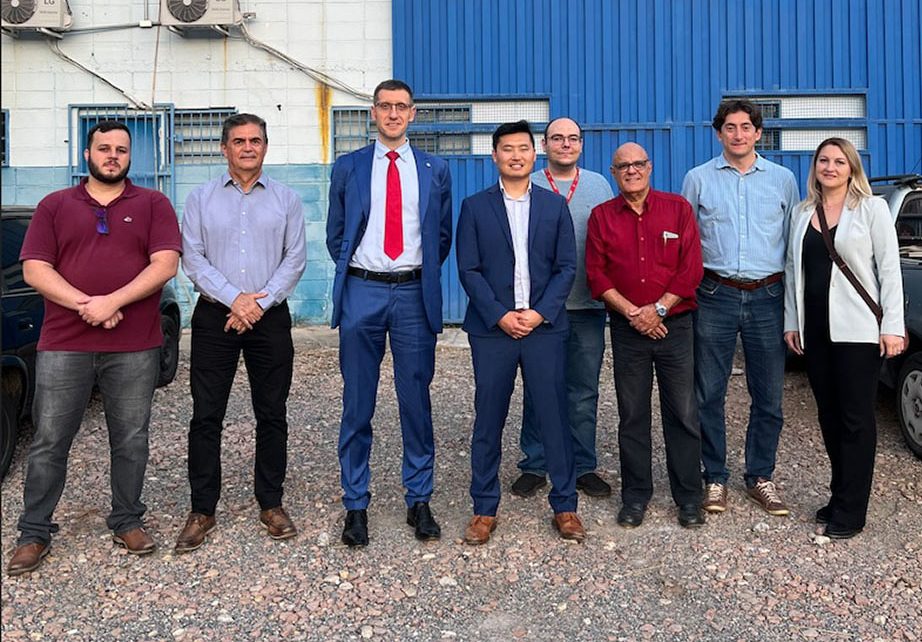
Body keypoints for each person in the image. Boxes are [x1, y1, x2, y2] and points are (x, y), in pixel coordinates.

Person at [7, 120, 181, 576]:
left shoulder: (152, 204)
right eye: (103, 148)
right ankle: (34, 531)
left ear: (130, 157)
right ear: (87, 154)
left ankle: (127, 518)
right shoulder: (55, 205)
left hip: (134, 345)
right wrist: (88, 305)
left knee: (131, 439)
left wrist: (113, 301)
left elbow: (165, 263)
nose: (112, 156)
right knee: (48, 441)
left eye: (121, 150)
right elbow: (35, 269)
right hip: (65, 343)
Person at [326, 79, 452, 547]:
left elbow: (442, 236)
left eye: (402, 107)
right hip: (363, 290)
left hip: (414, 295)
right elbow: (336, 233)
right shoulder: (349, 166)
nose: (393, 114)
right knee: (358, 401)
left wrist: (414, 274)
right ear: (373, 113)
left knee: (415, 400)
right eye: (385, 106)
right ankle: (355, 503)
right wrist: (365, 274)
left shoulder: (435, 168)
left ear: (413, 113)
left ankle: (419, 498)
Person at [176, 113, 306, 553]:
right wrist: (236, 300)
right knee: (206, 415)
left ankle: (271, 503)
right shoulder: (199, 199)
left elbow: (295, 259)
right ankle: (202, 510)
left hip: (270, 319)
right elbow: (193, 259)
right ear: (224, 148)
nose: (247, 147)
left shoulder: (287, 199)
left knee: (271, 413)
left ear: (266, 147)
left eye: (255, 140)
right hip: (216, 318)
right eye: (238, 141)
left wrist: (258, 303)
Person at [456, 120, 585, 545]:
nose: (515, 155)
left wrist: (539, 313)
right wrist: (500, 315)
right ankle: (483, 507)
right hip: (493, 331)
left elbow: (567, 265)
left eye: (523, 149)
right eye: (507, 149)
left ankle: (565, 506)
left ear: (535, 155)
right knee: (488, 418)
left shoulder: (553, 206)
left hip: (544, 329)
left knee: (554, 416)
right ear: (495, 156)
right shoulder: (475, 207)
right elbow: (468, 269)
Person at [681, 99, 800, 516]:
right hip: (715, 294)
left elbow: (792, 248)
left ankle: (760, 476)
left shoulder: (784, 180)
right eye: (729, 127)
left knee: (768, 394)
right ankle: (715, 476)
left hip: (768, 295)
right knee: (709, 392)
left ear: (758, 132)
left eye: (745, 127)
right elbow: (687, 243)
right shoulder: (697, 179)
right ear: (718, 134)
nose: (738, 134)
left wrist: (793, 308)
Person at [783, 138, 904, 539]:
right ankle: (840, 494)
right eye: (823, 160)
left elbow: (889, 270)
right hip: (816, 331)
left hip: (858, 331)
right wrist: (792, 321)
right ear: (815, 166)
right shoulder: (803, 214)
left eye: (839, 161)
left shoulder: (871, 210)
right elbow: (792, 272)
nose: (830, 167)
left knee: (856, 419)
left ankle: (852, 511)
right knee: (829, 416)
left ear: (851, 168)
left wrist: (893, 327)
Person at [585, 142, 705, 528]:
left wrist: (659, 309)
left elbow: (690, 270)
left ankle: (688, 498)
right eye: (623, 166)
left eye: (638, 164)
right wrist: (634, 313)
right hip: (628, 329)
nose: (631, 171)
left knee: (683, 413)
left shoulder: (678, 209)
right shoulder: (601, 217)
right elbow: (596, 274)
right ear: (613, 172)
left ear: (650, 167)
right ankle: (636, 496)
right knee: (632, 415)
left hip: (675, 326)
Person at [512, 117, 615, 500]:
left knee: (583, 390)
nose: (565, 145)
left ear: (582, 145)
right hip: (540, 308)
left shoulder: (599, 186)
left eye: (573, 139)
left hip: (587, 305)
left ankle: (583, 464)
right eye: (557, 138)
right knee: (538, 389)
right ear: (544, 144)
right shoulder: (529, 183)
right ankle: (535, 464)